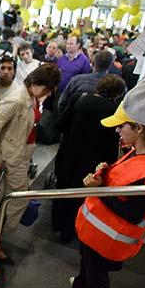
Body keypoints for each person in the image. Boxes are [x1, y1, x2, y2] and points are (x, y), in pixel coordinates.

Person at [73, 76, 145, 288]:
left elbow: (132, 213)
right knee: (86, 276)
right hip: (98, 239)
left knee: (94, 285)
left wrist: (98, 189)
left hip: (106, 244)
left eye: (122, 126)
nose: (117, 130)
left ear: (140, 128)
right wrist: (105, 176)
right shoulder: (136, 152)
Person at [0, 64, 61, 243]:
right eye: (47, 89)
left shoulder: (30, 97)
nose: (48, 94)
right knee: (6, 202)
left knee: (10, 201)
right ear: (38, 83)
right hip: (7, 160)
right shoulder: (17, 99)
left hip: (19, 157)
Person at [53, 75, 126, 243]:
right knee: (78, 196)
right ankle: (69, 232)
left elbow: (60, 124)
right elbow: (111, 145)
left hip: (68, 154)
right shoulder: (114, 112)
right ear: (117, 93)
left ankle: (56, 223)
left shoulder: (80, 98)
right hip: (91, 163)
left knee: (61, 189)